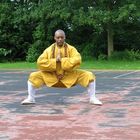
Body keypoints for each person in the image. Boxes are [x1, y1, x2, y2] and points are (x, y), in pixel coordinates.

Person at [21, 29, 102, 105]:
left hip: (69, 75)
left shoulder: (71, 49)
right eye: (58, 37)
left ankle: (92, 98)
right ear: (54, 38)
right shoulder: (49, 50)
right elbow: (40, 62)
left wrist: (62, 61)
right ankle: (31, 98)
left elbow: (78, 60)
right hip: (52, 76)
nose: (60, 39)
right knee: (33, 76)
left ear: (65, 38)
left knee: (89, 75)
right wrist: (55, 61)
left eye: (62, 37)